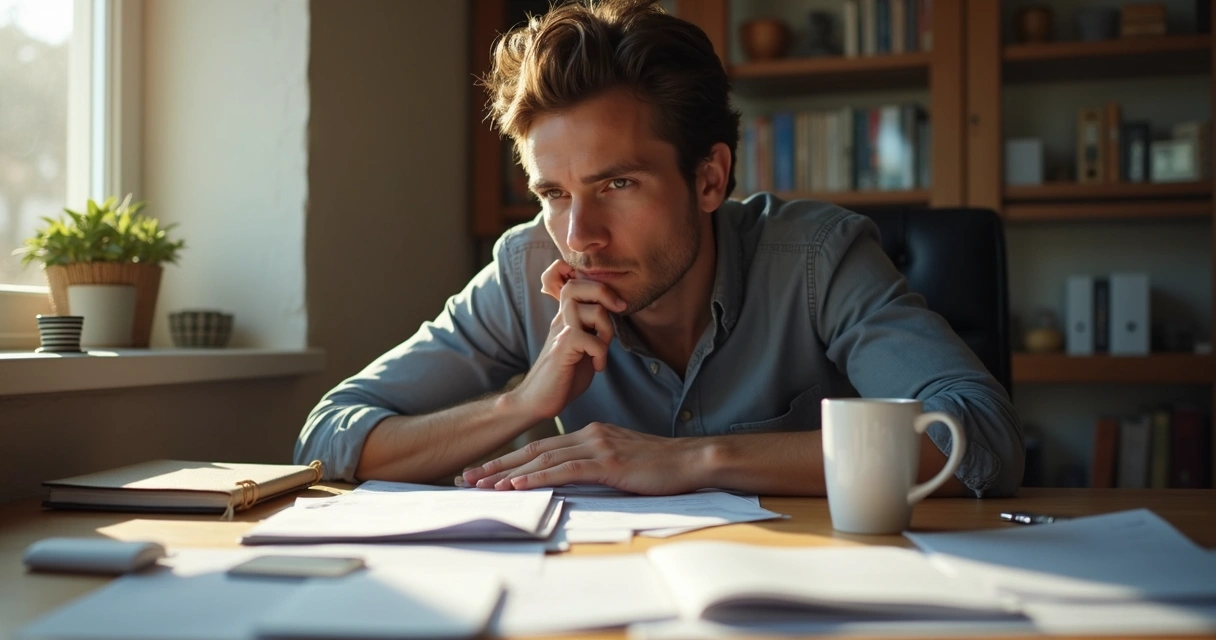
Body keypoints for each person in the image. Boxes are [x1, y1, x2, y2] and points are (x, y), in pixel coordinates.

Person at [295, 0, 1024, 497]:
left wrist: (693, 461)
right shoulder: (523, 271)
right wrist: (520, 403)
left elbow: (980, 436)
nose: (579, 236)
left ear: (710, 178)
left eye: (616, 183)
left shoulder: (815, 259)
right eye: (553, 193)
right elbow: (326, 439)